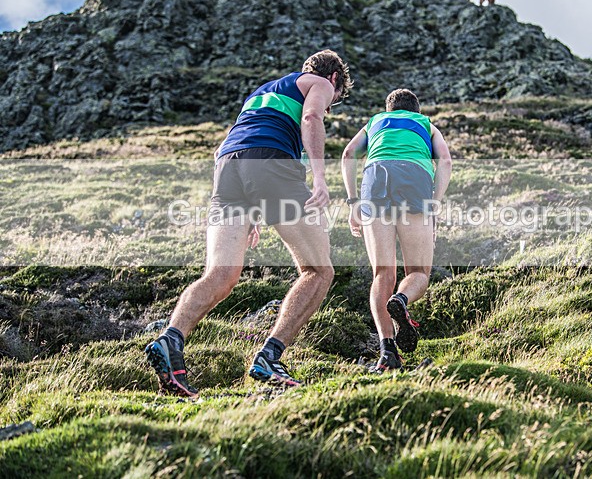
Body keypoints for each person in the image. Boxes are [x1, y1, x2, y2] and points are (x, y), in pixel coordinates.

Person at [145, 50, 353, 395]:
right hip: (271, 162)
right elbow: (313, 117)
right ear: (334, 79)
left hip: (227, 167)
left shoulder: (262, 92)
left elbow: (231, 146)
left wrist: (252, 210)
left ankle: (171, 339)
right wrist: (319, 178)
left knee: (221, 273)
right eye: (337, 99)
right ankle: (270, 357)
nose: (331, 106)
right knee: (318, 270)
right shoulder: (319, 82)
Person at [341, 89, 452, 373]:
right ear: (415, 110)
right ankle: (401, 300)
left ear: (389, 109)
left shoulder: (375, 122)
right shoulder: (426, 124)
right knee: (418, 272)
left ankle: (387, 351)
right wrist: (434, 203)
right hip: (414, 180)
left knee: (382, 274)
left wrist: (353, 202)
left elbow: (348, 154)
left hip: (376, 179)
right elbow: (446, 161)